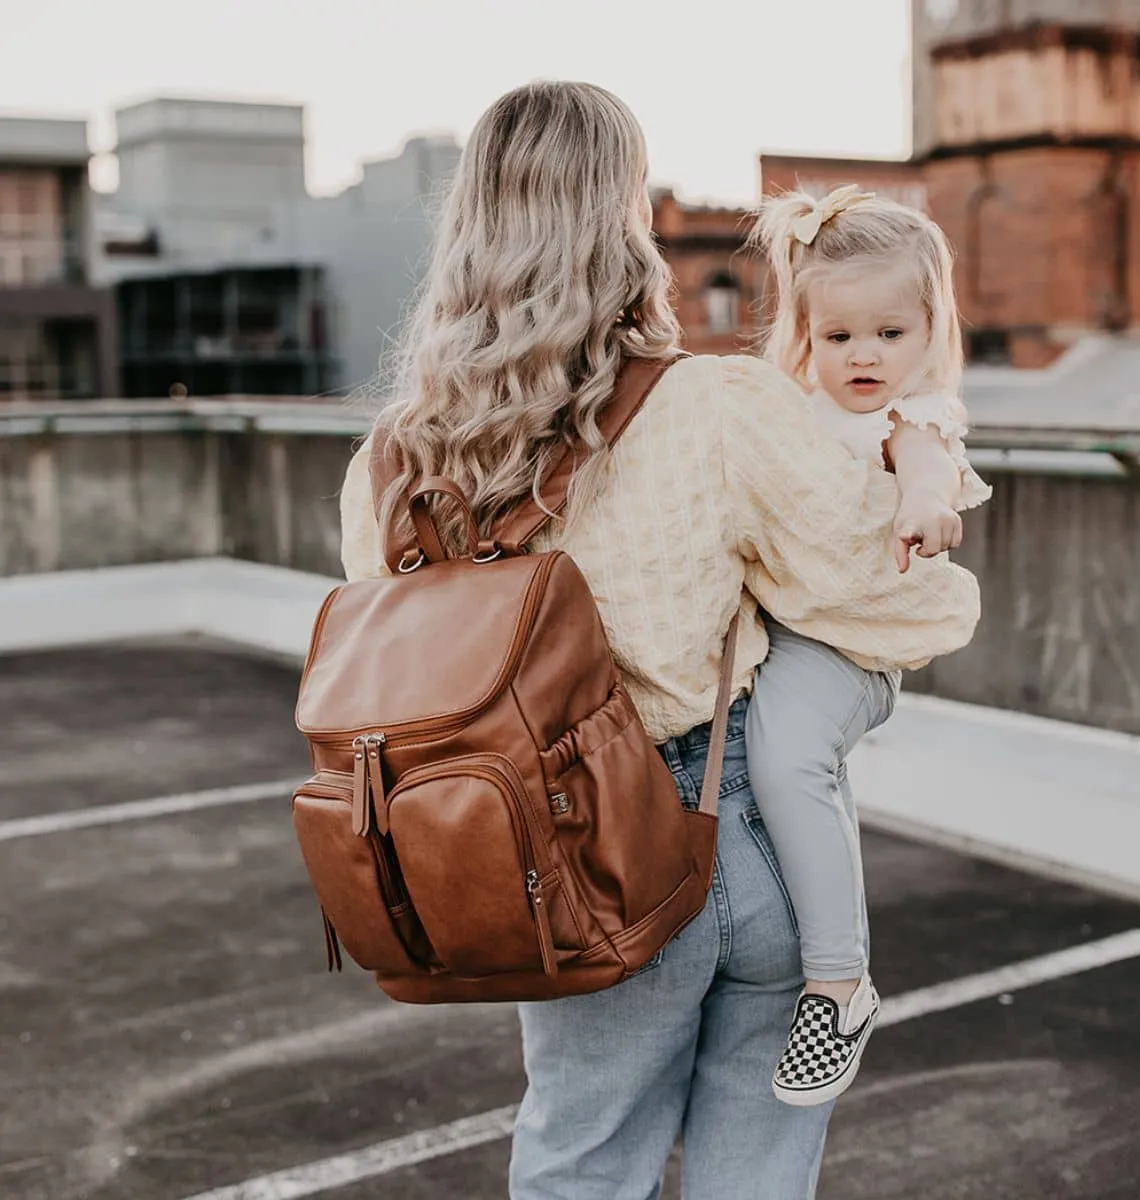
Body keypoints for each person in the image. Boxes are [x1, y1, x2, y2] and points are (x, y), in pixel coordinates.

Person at [338, 82, 980, 1200]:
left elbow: (401, 675)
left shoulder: (395, 462)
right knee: (757, 1177)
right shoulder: (716, 402)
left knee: (582, 1166)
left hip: (560, 863)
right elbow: (894, 603)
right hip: (749, 830)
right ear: (625, 222)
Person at [743, 184, 992, 1107]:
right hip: (791, 625)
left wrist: (928, 503)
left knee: (787, 758)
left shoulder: (915, 418)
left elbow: (923, 465)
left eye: (890, 334)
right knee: (791, 771)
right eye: (840, 335)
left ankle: (838, 983)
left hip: (849, 648)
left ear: (930, 331)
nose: (864, 356)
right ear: (807, 331)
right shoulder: (791, 407)